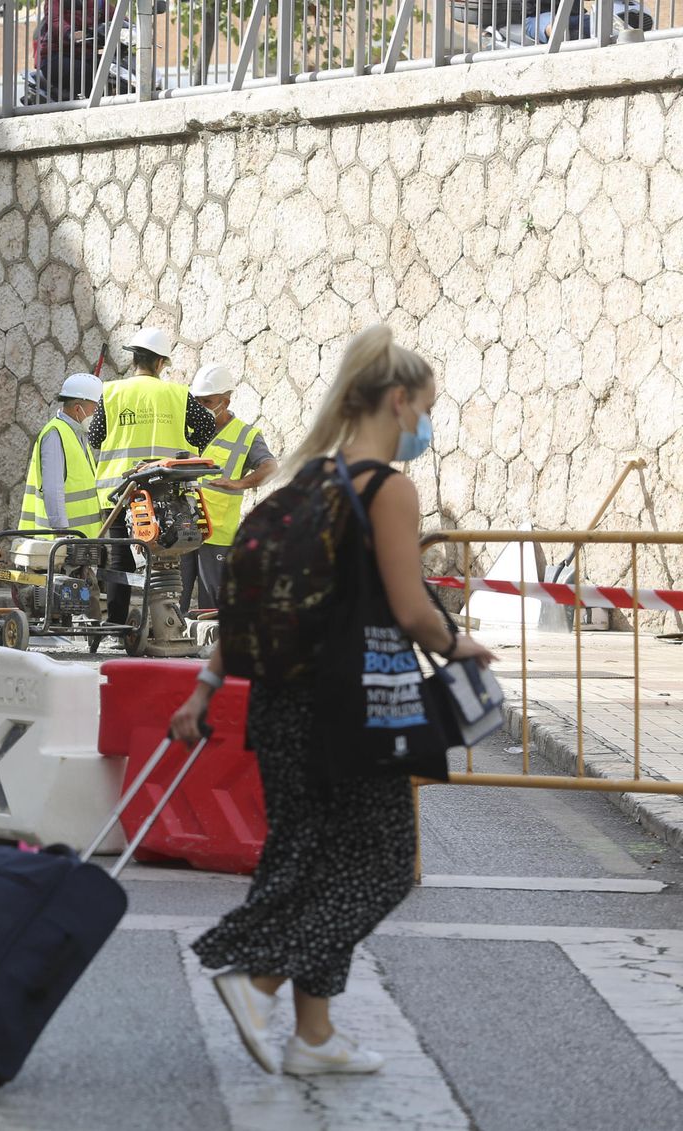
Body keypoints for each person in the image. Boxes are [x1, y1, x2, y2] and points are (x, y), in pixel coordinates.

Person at [170, 325, 495, 1077]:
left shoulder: (306, 482)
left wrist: (206, 686)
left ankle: (313, 1034)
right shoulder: (388, 489)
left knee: (308, 856)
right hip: (355, 708)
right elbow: (414, 610)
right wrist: (461, 647)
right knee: (382, 866)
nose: (425, 425)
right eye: (426, 408)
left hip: (283, 707)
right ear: (399, 400)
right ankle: (259, 980)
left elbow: (254, 600)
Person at [90, 326, 216, 624]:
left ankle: (118, 626)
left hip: (119, 490)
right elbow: (207, 427)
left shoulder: (111, 392)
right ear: (160, 363)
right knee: (163, 558)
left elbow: (95, 438)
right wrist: (186, 451)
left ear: (134, 359)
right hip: (164, 490)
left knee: (120, 558)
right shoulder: (177, 394)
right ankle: (159, 624)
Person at [181, 363, 278, 613]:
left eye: (208, 401)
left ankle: (210, 649)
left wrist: (239, 483)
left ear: (226, 400)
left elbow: (269, 467)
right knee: (174, 595)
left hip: (216, 533)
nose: (201, 408)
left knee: (211, 604)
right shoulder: (185, 431)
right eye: (197, 402)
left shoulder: (246, 435)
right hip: (181, 528)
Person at [18, 372, 104, 537]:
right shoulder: (55, 434)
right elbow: (52, 489)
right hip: (61, 545)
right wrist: (62, 534)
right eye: (96, 409)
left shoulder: (77, 434)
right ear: (78, 409)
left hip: (81, 541)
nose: (99, 415)